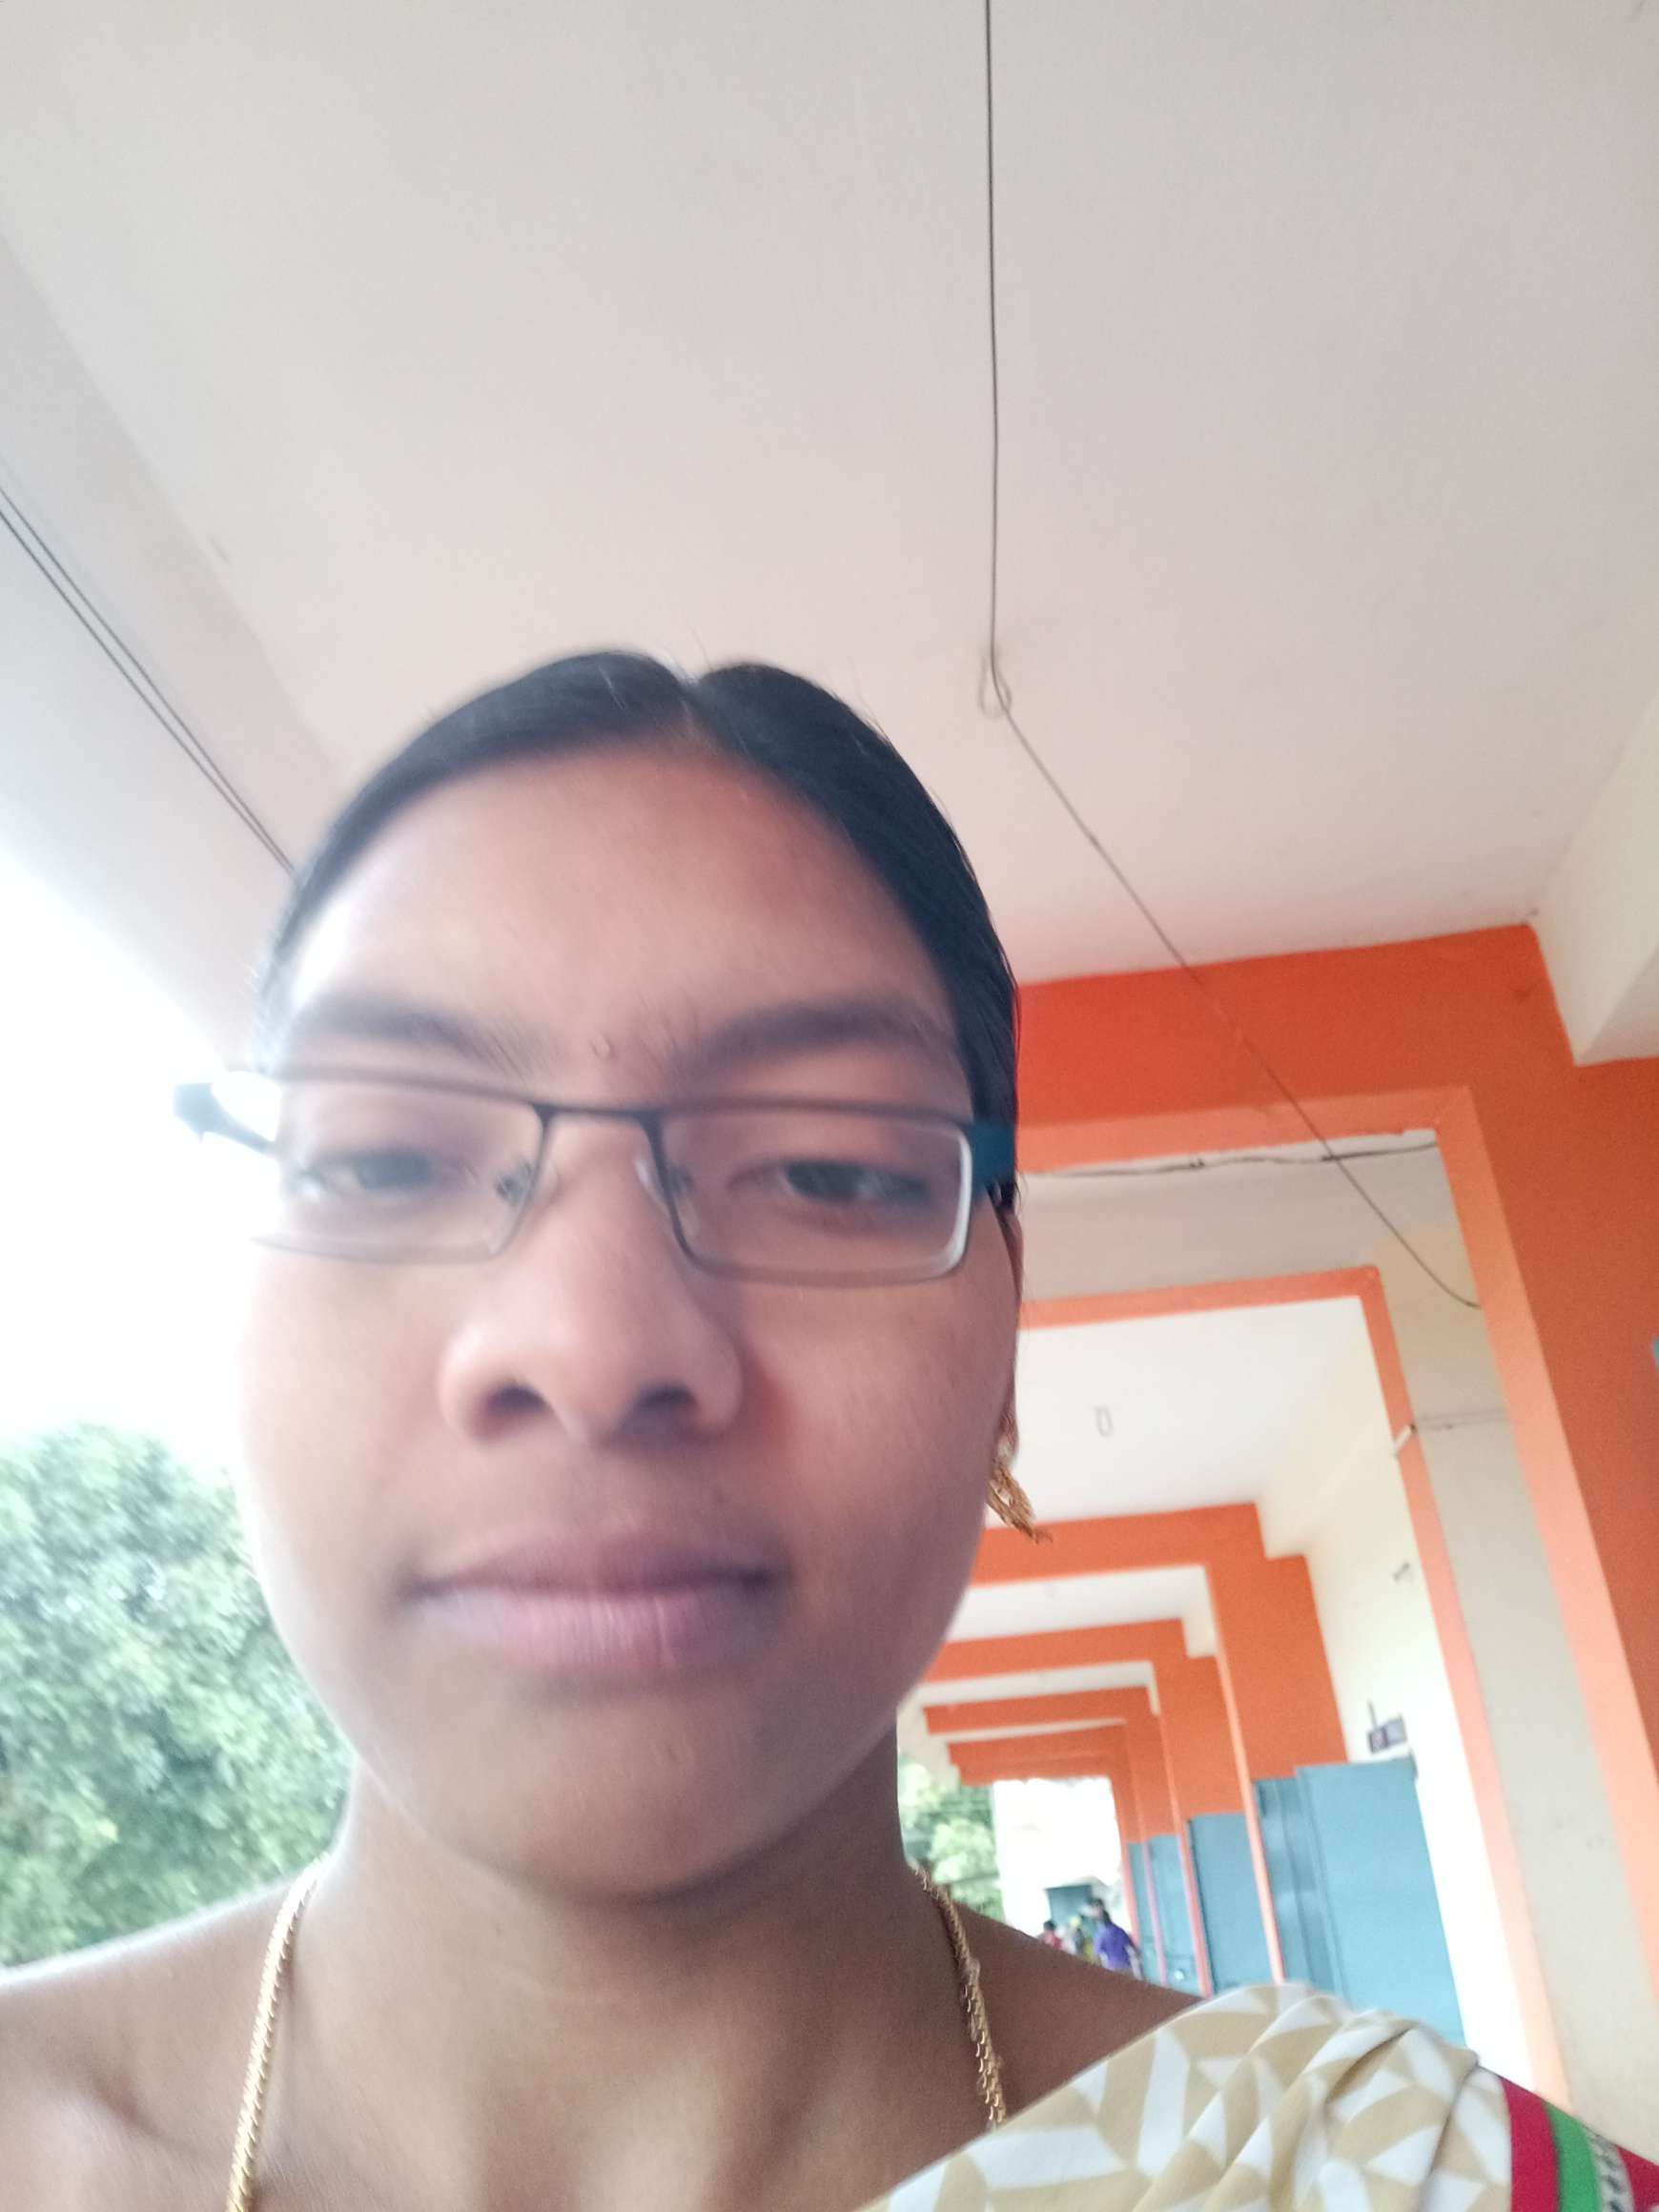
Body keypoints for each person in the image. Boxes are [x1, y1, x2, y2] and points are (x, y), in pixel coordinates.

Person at [0, 651, 1651, 2210]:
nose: (594, 1344)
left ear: (1006, 1336)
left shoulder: (1379, 2175)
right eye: (382, 1160)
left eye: (826, 1169)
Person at [1089, 1902, 1139, 1976]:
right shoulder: (1120, 1930)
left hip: (1113, 1968)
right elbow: (1133, 1947)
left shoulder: (1100, 1935)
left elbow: (1097, 1955)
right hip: (1126, 1966)